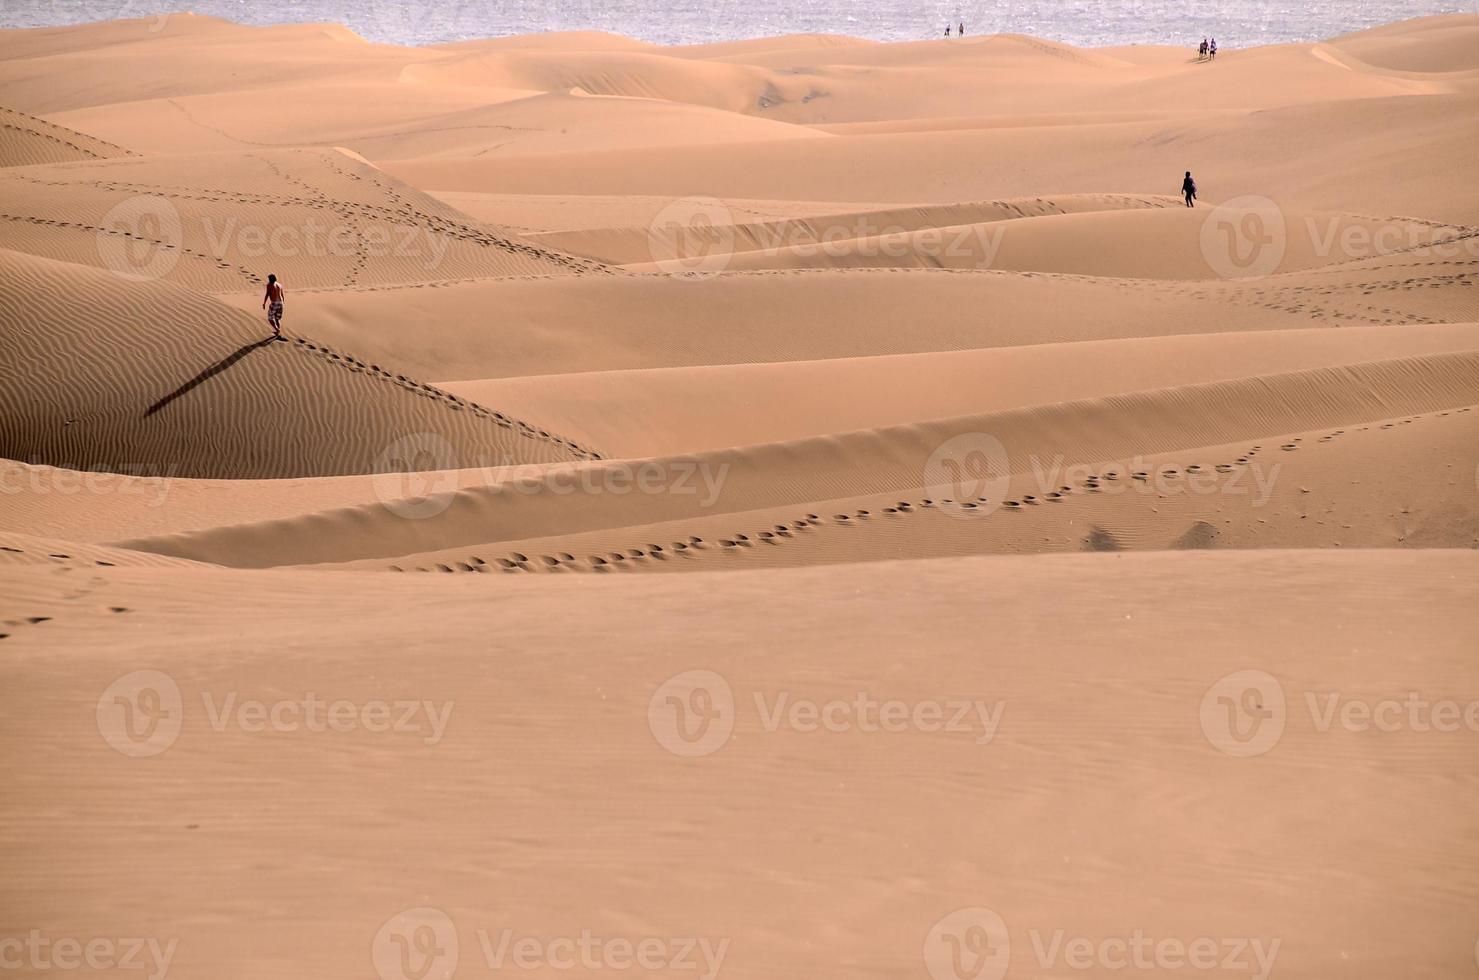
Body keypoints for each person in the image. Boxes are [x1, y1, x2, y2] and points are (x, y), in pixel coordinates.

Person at [262, 273, 285, 339]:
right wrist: (283, 303)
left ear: (270, 279)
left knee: (270, 318)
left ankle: (277, 330)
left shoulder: (269, 285)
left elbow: (267, 294)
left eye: (269, 279)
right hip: (281, 303)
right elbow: (282, 295)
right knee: (277, 318)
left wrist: (264, 303)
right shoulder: (279, 285)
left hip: (274, 303)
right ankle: (278, 332)